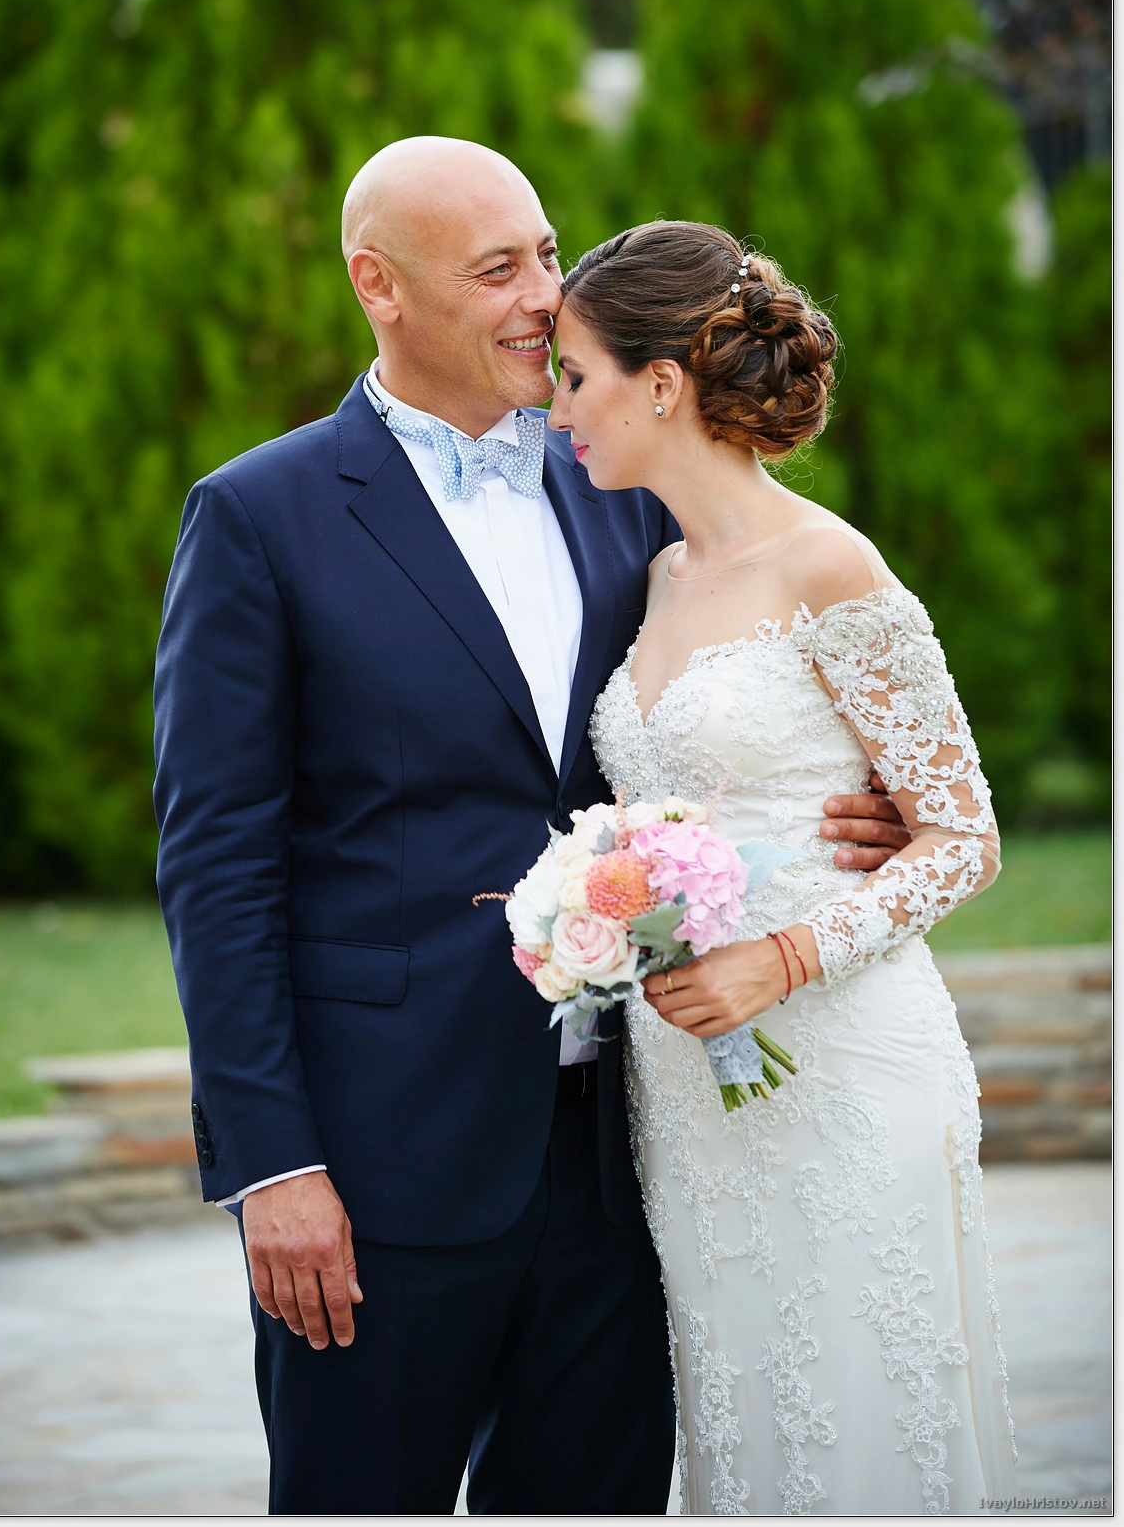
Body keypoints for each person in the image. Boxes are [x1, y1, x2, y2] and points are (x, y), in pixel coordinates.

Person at [153, 142, 910, 1515]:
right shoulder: (258, 517)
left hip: (629, 1154)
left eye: (549, 255)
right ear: (378, 285)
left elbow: (728, 696)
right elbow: (218, 868)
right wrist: (272, 1164)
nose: (545, 298)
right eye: (498, 269)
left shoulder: (621, 479)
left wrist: (838, 810)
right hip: (383, 1162)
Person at [549, 219, 1017, 1517]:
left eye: (575, 376)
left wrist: (786, 956)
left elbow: (966, 835)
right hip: (689, 1098)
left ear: (660, 383)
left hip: (844, 1061)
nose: (558, 408)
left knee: (859, 1430)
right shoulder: (652, 575)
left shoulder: (829, 564)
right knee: (746, 1432)